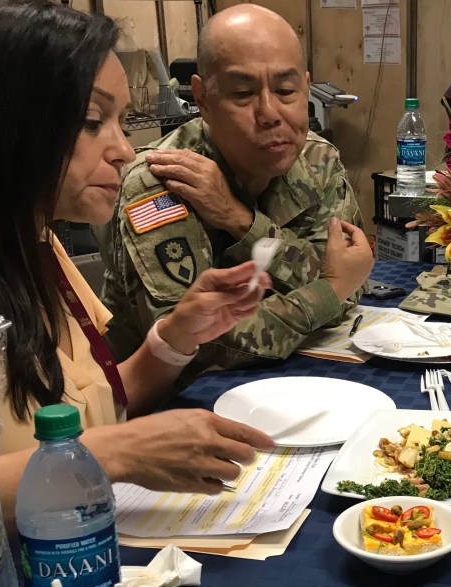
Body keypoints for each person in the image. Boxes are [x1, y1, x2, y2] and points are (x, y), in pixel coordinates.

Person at [0, 0, 277, 526]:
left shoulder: (34, 242)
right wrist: (114, 453)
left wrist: (175, 339)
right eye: (93, 121)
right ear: (3, 121)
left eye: (124, 122)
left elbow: (91, 407)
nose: (124, 150)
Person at [95, 4, 374, 378]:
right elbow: (196, 347)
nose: (270, 112)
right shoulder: (161, 181)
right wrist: (329, 292)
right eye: (243, 93)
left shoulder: (314, 158)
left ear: (307, 86)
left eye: (286, 90)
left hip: (294, 375)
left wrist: (241, 220)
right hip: (170, 404)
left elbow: (351, 279)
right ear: (203, 98)